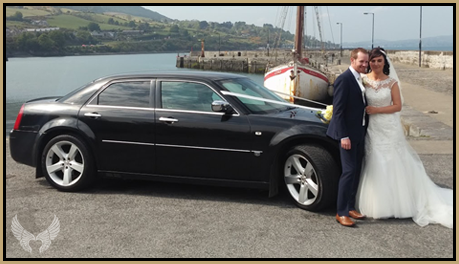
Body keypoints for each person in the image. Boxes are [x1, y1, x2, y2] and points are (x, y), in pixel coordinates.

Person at [356, 47, 453, 229]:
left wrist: (377, 110)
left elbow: (397, 106)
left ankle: (399, 202)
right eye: (372, 60)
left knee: (392, 161)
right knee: (374, 160)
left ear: (385, 62)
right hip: (372, 128)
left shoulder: (391, 82)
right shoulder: (364, 81)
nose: (375, 64)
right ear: (368, 62)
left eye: (379, 60)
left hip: (388, 126)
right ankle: (379, 202)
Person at [327, 48, 369, 227]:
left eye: (366, 62)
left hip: (358, 132)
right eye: (362, 62)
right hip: (347, 135)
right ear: (352, 60)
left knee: (357, 170)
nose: (365, 65)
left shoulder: (359, 78)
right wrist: (343, 135)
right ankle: (341, 212)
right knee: (349, 171)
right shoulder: (344, 79)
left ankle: (351, 206)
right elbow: (338, 111)